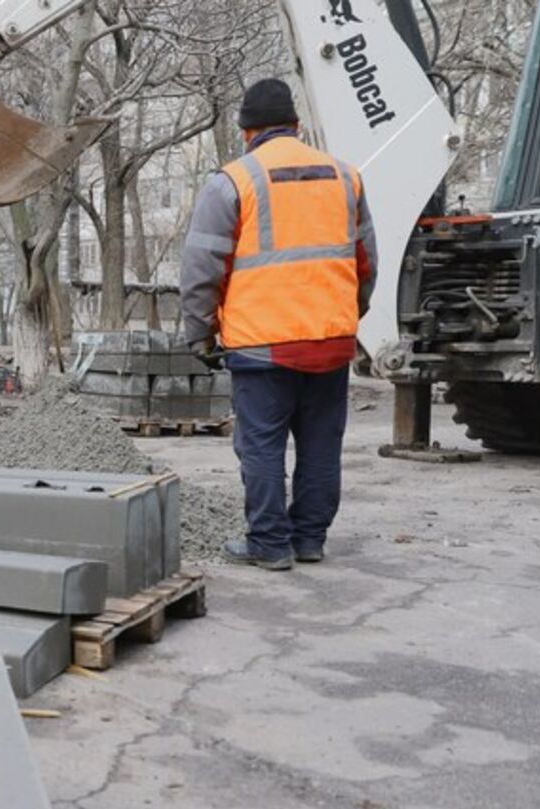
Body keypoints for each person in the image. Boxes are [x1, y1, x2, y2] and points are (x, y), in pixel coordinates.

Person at [179, 78, 377, 571]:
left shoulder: (233, 181)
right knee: (320, 444)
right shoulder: (345, 177)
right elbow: (365, 260)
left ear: (247, 132)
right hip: (329, 341)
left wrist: (199, 334)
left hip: (262, 344)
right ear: (295, 126)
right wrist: (350, 315)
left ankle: (269, 543)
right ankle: (309, 539)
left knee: (262, 445)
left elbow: (202, 268)